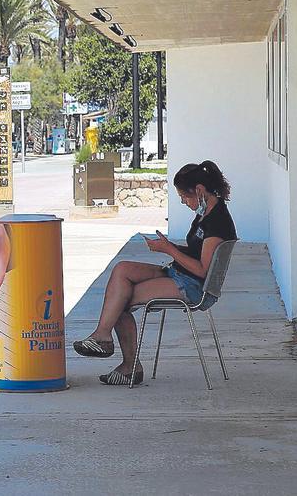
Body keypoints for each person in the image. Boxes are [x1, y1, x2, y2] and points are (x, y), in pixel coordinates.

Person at [72, 161, 236, 386]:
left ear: (199, 190)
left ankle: (127, 364)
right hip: (180, 274)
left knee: (120, 300)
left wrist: (169, 250)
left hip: (194, 287)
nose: (184, 203)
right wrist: (171, 247)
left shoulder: (217, 221)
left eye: (185, 198)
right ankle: (103, 335)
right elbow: (199, 252)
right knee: (122, 270)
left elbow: (202, 269)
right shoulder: (205, 212)